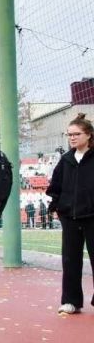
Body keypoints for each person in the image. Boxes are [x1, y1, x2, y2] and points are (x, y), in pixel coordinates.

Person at [47, 113, 94, 315]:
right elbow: (55, 187)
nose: (72, 138)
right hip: (69, 218)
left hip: (92, 217)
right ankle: (71, 301)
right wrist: (57, 207)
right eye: (69, 134)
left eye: (76, 134)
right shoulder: (66, 160)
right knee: (70, 260)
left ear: (89, 135)